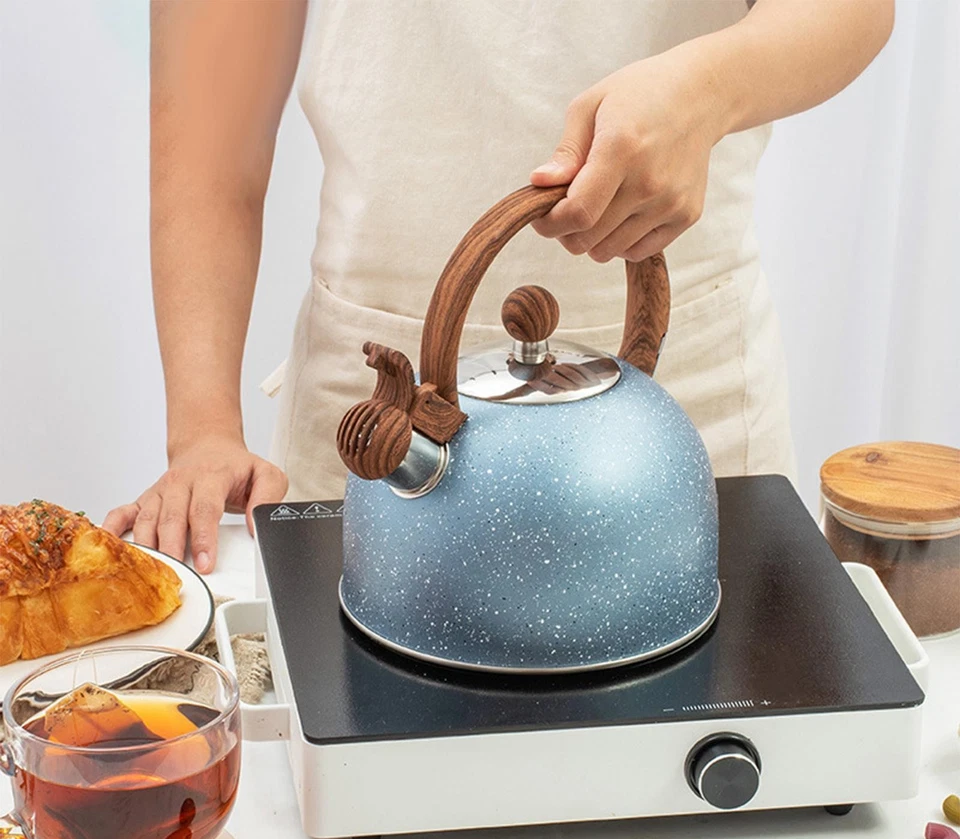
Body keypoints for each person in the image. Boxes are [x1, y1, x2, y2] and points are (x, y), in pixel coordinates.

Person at [104, 0, 894, 573]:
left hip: (688, 407)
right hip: (377, 415)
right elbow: (212, 106)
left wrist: (707, 89)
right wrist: (203, 427)